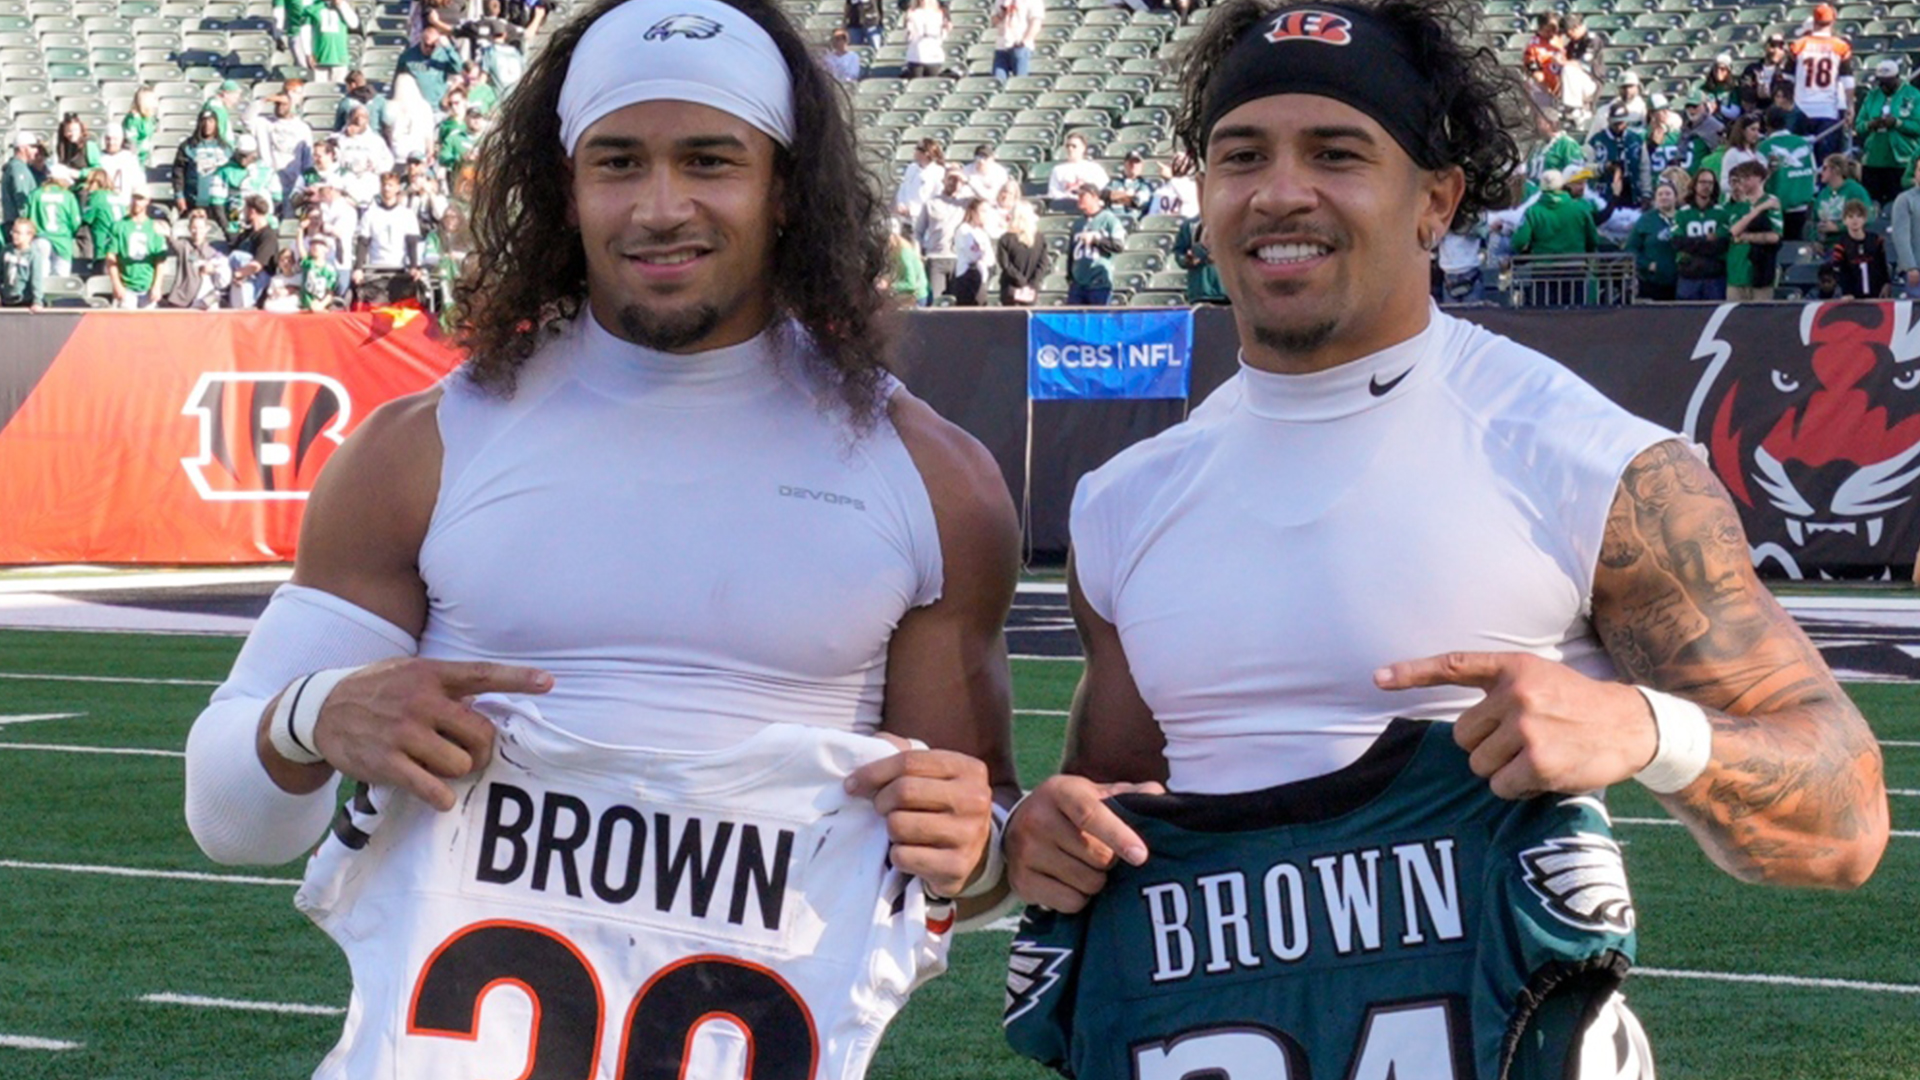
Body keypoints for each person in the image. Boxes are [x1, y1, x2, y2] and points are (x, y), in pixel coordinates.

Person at [1003, 4, 1888, 1078]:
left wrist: (1646, 730)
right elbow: (1116, 805)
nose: (1282, 191)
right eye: (1243, 156)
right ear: (1203, 194)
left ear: (1436, 201)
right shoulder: (1122, 503)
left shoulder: (1590, 463)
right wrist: (1049, 836)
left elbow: (1846, 820)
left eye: (1337, 153)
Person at [184, 2, 1019, 1076]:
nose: (660, 207)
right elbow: (230, 821)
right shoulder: (423, 449)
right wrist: (314, 717)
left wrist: (980, 844)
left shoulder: (933, 480)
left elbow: (979, 862)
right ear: (565, 185)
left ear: (784, 185)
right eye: (618, 162)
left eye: (710, 160)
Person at [1788, 2, 1855, 163]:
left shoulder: (1799, 45)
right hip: (1827, 110)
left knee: (1799, 161)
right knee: (1826, 162)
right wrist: (1850, 106)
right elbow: (1847, 81)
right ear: (1833, 21)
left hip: (1801, 108)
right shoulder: (1840, 46)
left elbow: (1787, 79)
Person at [1854, 59, 1920, 206]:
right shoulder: (1872, 96)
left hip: (1901, 161)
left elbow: (1918, 126)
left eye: (1888, 82)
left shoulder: (1914, 95)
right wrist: (1870, 124)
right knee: (1872, 203)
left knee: (1900, 204)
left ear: (1897, 77)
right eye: (1881, 82)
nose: (1883, 86)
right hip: (1874, 160)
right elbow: (1858, 126)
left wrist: (1897, 123)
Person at [1724, 160, 1783, 301]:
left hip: (1761, 272)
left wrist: (1745, 237)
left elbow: (1775, 236)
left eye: (1747, 177)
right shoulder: (1734, 205)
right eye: (1741, 178)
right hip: (1736, 272)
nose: (1743, 182)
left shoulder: (1771, 202)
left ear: (1760, 178)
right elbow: (1733, 231)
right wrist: (1758, 210)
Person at [1759, 104, 1817, 241]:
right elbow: (1814, 171)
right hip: (1803, 207)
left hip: (1776, 209)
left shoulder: (1764, 147)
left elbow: (1759, 179)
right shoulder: (1803, 143)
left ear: (1766, 124)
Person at [105, 191, 170, 309]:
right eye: (134, 198)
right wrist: (116, 284)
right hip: (126, 286)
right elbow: (111, 257)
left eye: (141, 199)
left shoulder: (154, 227)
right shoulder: (119, 226)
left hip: (148, 286)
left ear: (147, 201)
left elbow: (160, 260)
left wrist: (157, 285)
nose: (136, 202)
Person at [1673, 167, 1730, 300]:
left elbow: (1722, 244)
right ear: (1695, 184)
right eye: (1703, 182)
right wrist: (1706, 239)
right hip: (1688, 275)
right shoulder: (1682, 213)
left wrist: (1693, 242)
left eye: (1710, 183)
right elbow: (1677, 242)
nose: (1706, 186)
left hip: (1714, 276)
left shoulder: (1722, 213)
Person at [160, 208, 233, 309]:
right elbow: (172, 241)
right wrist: (167, 234)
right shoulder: (184, 246)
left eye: (201, 228)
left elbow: (222, 279)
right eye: (194, 228)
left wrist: (213, 269)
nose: (197, 231)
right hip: (184, 300)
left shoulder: (213, 252)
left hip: (205, 301)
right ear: (189, 229)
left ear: (207, 229)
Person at [914, 168, 967, 302]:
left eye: (957, 180)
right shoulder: (931, 203)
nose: (954, 183)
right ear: (944, 180)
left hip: (958, 259)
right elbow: (918, 231)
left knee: (957, 301)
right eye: (950, 179)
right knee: (937, 301)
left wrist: (967, 180)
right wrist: (918, 252)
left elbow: (988, 199)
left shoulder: (965, 203)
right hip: (936, 258)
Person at [1065, 183, 1123, 305]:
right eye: (1078, 196)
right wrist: (1070, 276)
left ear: (1095, 197)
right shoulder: (1078, 223)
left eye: (1083, 196)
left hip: (1099, 283)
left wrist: (1096, 240)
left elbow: (1118, 246)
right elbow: (1071, 252)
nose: (1079, 199)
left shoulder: (1108, 219)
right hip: (1078, 284)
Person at [1625, 180, 1680, 300]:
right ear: (1655, 199)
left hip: (1681, 281)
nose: (1664, 197)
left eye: (1668, 193)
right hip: (1653, 282)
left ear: (1676, 197)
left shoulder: (1683, 217)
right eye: (1660, 194)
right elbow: (1630, 248)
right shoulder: (1646, 220)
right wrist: (1646, 264)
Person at [1586, 103, 1648, 208]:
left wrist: (1646, 192)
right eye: (1616, 123)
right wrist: (1603, 167)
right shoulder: (1596, 141)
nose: (1619, 126)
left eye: (1622, 122)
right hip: (1605, 195)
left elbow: (1644, 167)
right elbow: (1585, 168)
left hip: (1631, 193)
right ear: (1609, 120)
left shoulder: (1636, 139)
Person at [397, 24, 464, 116]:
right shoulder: (407, 57)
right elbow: (398, 81)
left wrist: (448, 47)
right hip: (416, 108)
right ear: (421, 40)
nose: (429, 49)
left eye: (432, 46)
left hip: (438, 108)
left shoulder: (443, 54)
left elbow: (458, 68)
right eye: (426, 45)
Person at [173, 110, 231, 216]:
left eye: (211, 121)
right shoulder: (188, 146)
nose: (207, 125)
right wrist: (179, 196)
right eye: (204, 121)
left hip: (220, 204)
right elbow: (178, 173)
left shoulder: (226, 148)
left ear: (216, 123)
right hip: (193, 202)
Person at [1828, 197, 1890, 297]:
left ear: (1864, 219)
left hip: (1876, 294)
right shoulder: (1841, 245)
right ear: (1844, 220)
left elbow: (1882, 265)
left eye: (1859, 216)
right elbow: (1840, 271)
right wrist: (1847, 292)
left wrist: (1886, 284)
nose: (1855, 220)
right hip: (1852, 298)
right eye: (1850, 217)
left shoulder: (1876, 240)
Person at [225, 195, 280, 308]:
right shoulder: (247, 234)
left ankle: (248, 306)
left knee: (238, 256)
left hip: (258, 278)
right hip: (241, 277)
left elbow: (257, 265)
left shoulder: (268, 236)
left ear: (252, 211)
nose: (243, 212)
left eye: (245, 209)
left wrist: (237, 274)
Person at [26, 164, 79, 277]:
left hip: (40, 239)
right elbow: (75, 222)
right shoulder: (68, 196)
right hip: (62, 241)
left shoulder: (35, 194)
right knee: (61, 279)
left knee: (40, 277)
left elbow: (27, 218)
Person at [995, 199, 1048, 305]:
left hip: (1011, 289)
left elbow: (1006, 266)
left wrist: (1021, 282)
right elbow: (1043, 264)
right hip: (1031, 291)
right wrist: (1032, 284)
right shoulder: (1040, 238)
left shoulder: (1005, 239)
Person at [1812, 153, 1871, 245]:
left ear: (1835, 170)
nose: (1821, 172)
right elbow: (1814, 220)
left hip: (1850, 243)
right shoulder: (1823, 193)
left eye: (1824, 168)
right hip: (1826, 245)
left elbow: (1867, 217)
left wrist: (1838, 227)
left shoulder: (1855, 191)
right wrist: (1815, 241)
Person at [1045, 133, 1109, 211]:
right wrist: (1068, 196)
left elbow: (1102, 188)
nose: (1070, 149)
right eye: (1068, 146)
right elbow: (1053, 192)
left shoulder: (1094, 168)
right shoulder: (1058, 169)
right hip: (1065, 205)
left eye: (1074, 146)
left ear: (1083, 148)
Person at [1171, 213, 1225, 304]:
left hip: (1229, 292)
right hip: (1200, 291)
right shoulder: (1189, 225)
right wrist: (1187, 260)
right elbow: (1179, 253)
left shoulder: (1233, 223)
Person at [950, 197, 994, 305]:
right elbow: (973, 254)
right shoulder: (964, 230)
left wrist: (983, 256)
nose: (986, 215)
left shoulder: (983, 233)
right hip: (967, 276)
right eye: (982, 211)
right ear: (973, 212)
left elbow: (991, 259)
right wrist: (982, 255)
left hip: (981, 276)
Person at [1889, 157, 1920, 296]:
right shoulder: (1905, 200)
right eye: (1919, 170)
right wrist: (1910, 267)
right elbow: (1901, 236)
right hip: (1916, 270)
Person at [1740, 33, 1792, 117]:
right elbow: (1746, 91)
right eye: (1772, 46)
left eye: (1780, 47)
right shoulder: (1752, 69)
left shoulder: (1786, 71)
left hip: (1779, 112)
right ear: (1766, 47)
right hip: (1755, 110)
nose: (1776, 50)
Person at [990, 0, 1042, 83]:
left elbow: (1036, 23)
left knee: (1020, 81)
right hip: (1002, 47)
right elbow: (993, 22)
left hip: (1020, 46)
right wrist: (1002, 12)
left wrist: (1024, 41)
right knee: (997, 80)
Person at [1, 216, 45, 308]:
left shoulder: (34, 255)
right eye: (13, 232)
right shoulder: (6, 250)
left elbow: (36, 279)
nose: (14, 235)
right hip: (6, 299)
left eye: (18, 233)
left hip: (24, 300)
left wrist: (37, 301)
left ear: (29, 235)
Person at [1104, 150, 1156, 223]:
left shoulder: (1145, 185)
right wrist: (1127, 194)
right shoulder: (1114, 183)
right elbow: (1105, 196)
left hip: (1134, 223)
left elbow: (1137, 201)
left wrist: (1116, 197)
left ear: (1141, 166)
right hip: (1113, 221)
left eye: (1137, 163)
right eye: (1131, 162)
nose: (1133, 166)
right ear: (1125, 165)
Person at [901, 0, 947, 79]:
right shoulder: (913, 13)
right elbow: (909, 34)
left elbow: (942, 34)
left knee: (932, 83)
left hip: (934, 56)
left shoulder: (938, 13)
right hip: (915, 56)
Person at [1146, 150, 1198, 217]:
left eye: (1182, 162)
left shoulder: (1192, 186)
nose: (1178, 164)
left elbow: (1186, 197)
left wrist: (1171, 177)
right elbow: (1153, 214)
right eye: (1175, 161)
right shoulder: (1161, 189)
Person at [123, 86, 161, 168]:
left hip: (143, 158)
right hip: (133, 160)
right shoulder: (133, 120)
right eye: (153, 99)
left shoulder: (149, 118)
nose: (156, 102)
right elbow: (131, 143)